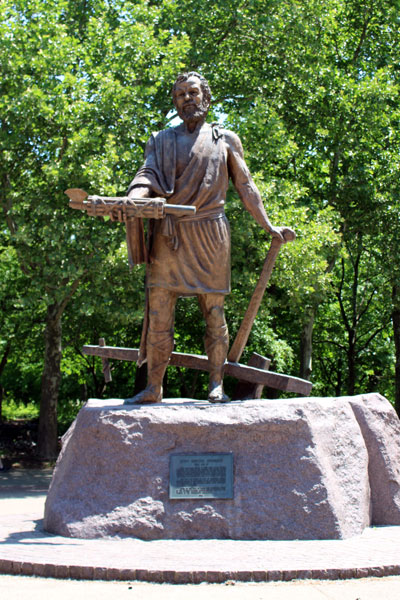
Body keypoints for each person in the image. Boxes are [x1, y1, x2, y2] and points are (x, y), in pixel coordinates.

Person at [124, 72, 285, 404]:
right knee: (159, 314)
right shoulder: (161, 140)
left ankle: (216, 384)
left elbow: (246, 185)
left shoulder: (225, 139)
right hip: (169, 236)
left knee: (214, 311)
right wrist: (133, 198)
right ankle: (154, 387)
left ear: (206, 97)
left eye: (192, 92)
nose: (187, 98)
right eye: (180, 94)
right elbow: (147, 175)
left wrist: (269, 226)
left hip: (210, 233)